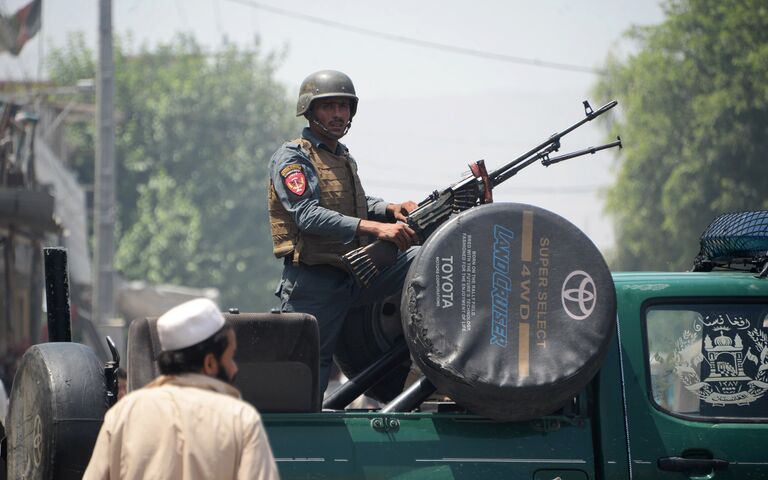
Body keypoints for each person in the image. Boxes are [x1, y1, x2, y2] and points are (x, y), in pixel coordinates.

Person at [268, 70, 419, 395]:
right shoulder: (294, 157)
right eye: (329, 106)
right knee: (305, 382)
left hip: (357, 272)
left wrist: (390, 209)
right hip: (314, 282)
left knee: (425, 260)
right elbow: (306, 214)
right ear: (309, 111)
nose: (338, 114)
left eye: (344, 106)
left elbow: (356, 204)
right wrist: (378, 227)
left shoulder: (341, 156)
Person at [83, 298, 280, 480]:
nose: (234, 368)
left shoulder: (123, 415)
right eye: (229, 358)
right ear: (210, 363)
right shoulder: (241, 419)